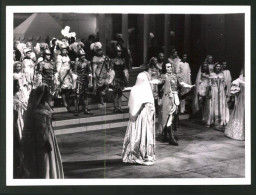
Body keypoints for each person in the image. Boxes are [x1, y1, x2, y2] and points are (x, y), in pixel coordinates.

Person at [22, 85, 64, 178]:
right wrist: (46, 142)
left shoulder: (42, 109)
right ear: (43, 96)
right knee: (44, 161)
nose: (50, 96)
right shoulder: (39, 112)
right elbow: (40, 130)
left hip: (48, 136)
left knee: (47, 160)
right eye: (48, 94)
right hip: (43, 141)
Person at [122, 71, 156, 166]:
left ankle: (144, 153)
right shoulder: (136, 89)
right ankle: (135, 152)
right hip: (136, 116)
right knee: (136, 134)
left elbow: (145, 104)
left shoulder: (143, 90)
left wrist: (135, 113)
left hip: (142, 117)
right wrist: (133, 113)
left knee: (142, 134)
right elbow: (133, 103)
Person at [158, 63, 194, 145]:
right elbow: (158, 82)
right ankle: (170, 136)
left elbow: (181, 83)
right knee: (168, 116)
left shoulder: (175, 76)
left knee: (172, 116)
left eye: (170, 66)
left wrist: (189, 86)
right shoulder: (163, 76)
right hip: (167, 97)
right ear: (165, 68)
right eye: (168, 67)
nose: (170, 68)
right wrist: (150, 81)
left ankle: (167, 135)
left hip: (175, 97)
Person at [203, 63, 229, 129]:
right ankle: (212, 121)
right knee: (213, 105)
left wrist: (225, 92)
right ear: (215, 67)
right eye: (217, 66)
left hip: (221, 91)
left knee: (221, 104)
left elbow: (224, 84)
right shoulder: (211, 74)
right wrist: (209, 92)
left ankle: (221, 120)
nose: (218, 67)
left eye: (219, 66)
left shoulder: (222, 74)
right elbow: (209, 85)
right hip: (213, 91)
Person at [56, 41, 76, 112]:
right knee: (64, 88)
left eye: (65, 50)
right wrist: (59, 76)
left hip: (68, 71)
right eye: (63, 50)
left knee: (73, 79)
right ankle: (65, 102)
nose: (65, 51)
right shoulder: (59, 57)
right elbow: (58, 67)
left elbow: (69, 64)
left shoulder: (67, 56)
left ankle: (69, 101)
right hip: (62, 72)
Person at [224, 70, 245, 140]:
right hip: (243, 99)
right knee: (242, 113)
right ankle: (240, 133)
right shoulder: (239, 80)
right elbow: (234, 91)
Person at [74, 48, 93, 116]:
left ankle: (86, 109)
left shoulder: (87, 62)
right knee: (77, 95)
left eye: (84, 55)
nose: (83, 56)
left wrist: (90, 81)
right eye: (82, 55)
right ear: (79, 56)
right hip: (79, 80)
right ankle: (76, 110)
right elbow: (75, 72)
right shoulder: (77, 63)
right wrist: (76, 80)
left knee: (85, 95)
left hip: (85, 80)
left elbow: (90, 72)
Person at [110, 45, 129, 113]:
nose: (119, 53)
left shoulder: (123, 60)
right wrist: (111, 79)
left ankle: (120, 106)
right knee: (115, 92)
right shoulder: (113, 60)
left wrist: (126, 77)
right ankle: (115, 106)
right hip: (115, 77)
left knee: (120, 92)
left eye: (120, 52)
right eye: (118, 52)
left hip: (121, 77)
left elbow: (125, 69)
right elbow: (111, 70)